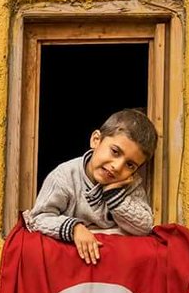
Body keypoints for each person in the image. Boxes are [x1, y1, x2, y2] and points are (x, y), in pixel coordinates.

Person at [22, 109, 157, 264]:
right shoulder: (65, 176)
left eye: (130, 165)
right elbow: (38, 218)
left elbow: (145, 227)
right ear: (96, 140)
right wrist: (74, 228)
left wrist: (114, 195)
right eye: (115, 152)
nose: (118, 167)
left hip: (111, 267)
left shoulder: (130, 185)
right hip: (69, 266)